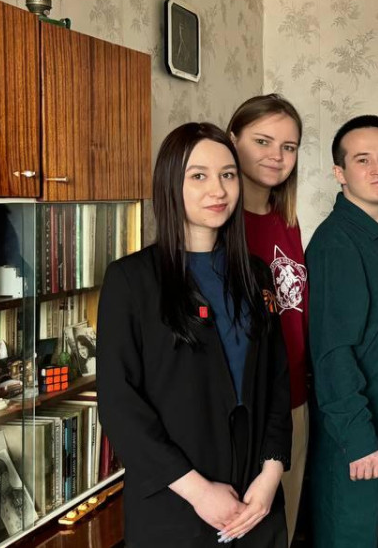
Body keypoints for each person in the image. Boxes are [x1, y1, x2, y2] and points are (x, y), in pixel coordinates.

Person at [97, 122, 292, 547]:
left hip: (255, 499)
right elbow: (118, 403)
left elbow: (276, 381)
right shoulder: (131, 280)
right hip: (176, 501)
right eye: (199, 176)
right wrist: (199, 492)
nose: (218, 190)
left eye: (227, 174)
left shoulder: (256, 274)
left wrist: (271, 473)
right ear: (171, 184)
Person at [306, 115, 378, 548]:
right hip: (356, 441)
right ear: (340, 172)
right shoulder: (336, 243)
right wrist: (357, 437)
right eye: (362, 160)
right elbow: (332, 353)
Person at [227, 94, 310, 544]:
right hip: (245, 409)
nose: (277, 156)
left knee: (284, 531)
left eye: (288, 146)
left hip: (293, 402)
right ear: (232, 140)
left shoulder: (287, 220)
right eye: (263, 141)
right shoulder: (221, 224)